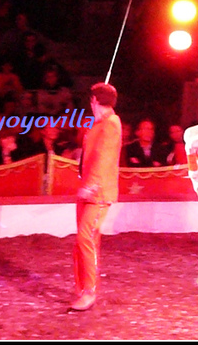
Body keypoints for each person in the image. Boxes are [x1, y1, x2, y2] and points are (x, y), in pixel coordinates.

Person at [71, 82, 122, 312]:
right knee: (83, 241)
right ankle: (82, 289)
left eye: (91, 100)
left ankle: (89, 292)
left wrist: (91, 186)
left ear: (95, 101)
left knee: (85, 237)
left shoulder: (111, 124)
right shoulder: (100, 123)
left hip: (97, 193)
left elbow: (104, 158)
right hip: (89, 190)